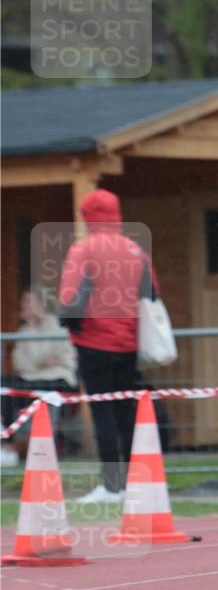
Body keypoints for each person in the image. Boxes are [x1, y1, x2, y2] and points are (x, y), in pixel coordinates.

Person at [58, 189, 158, 503]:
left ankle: (111, 485)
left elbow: (69, 302)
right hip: (128, 345)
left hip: (93, 344)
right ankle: (131, 481)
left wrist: (68, 320)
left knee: (102, 413)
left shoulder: (83, 249)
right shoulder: (135, 250)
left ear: (88, 216)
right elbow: (152, 295)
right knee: (126, 413)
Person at [1, 288, 78, 463]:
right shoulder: (24, 330)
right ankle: (7, 444)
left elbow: (61, 355)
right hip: (31, 378)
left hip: (59, 377)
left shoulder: (56, 325)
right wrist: (33, 330)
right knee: (5, 387)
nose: (24, 306)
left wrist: (41, 360)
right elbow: (21, 364)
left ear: (40, 304)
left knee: (28, 389)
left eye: (28, 301)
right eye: (23, 302)